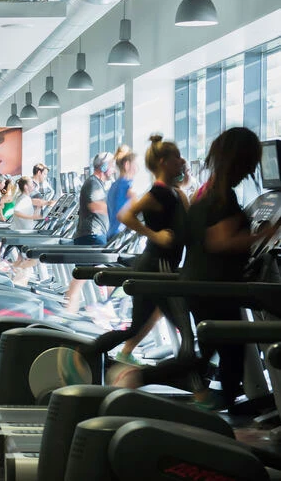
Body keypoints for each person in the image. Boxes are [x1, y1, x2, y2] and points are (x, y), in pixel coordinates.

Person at [113, 127, 281, 410]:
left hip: (202, 283)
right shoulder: (222, 197)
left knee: (213, 353)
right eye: (252, 160)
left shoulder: (208, 191)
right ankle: (140, 378)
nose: (254, 167)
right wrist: (264, 235)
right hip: (212, 287)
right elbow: (220, 241)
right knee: (223, 354)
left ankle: (145, 379)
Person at [92, 136, 189, 366]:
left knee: (140, 325)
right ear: (164, 162)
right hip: (159, 266)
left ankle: (89, 352)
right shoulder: (158, 192)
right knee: (185, 327)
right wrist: (155, 235)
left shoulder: (173, 192)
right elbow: (125, 215)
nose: (182, 161)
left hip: (156, 264)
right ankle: (198, 389)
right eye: (176, 157)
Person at [64, 152, 116, 314]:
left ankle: (68, 313)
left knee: (80, 278)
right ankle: (107, 309)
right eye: (112, 166)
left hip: (90, 234)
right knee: (112, 272)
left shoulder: (96, 184)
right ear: (105, 167)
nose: (114, 170)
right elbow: (95, 206)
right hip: (92, 235)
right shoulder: (93, 183)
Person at [106, 145, 138, 241]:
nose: (137, 168)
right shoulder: (129, 187)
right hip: (122, 238)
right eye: (135, 165)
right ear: (127, 165)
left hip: (112, 235)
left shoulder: (113, 186)